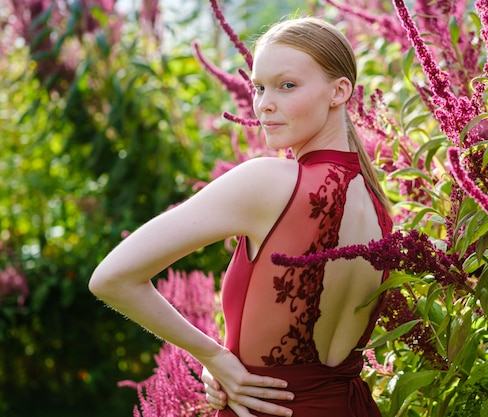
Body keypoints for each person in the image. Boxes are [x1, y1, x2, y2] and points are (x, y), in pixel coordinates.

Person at [89, 16, 392, 417]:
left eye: (287, 86)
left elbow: (111, 278)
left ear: (339, 92)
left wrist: (214, 357)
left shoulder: (266, 182)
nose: (264, 103)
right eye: (259, 87)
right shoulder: (376, 201)